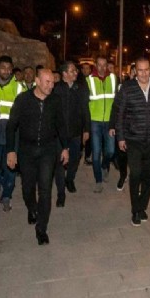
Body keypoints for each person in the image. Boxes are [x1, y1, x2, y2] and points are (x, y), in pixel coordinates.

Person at [6, 68, 69, 245]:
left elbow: (61, 126)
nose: (51, 86)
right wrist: (10, 150)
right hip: (27, 150)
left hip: (48, 150)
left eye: (53, 83)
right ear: (37, 81)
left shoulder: (55, 101)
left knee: (45, 189)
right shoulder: (23, 100)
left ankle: (41, 228)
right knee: (27, 188)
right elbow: (11, 126)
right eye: (47, 82)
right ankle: (32, 209)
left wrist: (65, 148)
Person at [111, 57, 150, 226]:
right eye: (140, 70)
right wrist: (120, 136)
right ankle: (135, 210)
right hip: (133, 139)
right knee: (135, 174)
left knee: (149, 176)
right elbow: (120, 114)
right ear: (135, 71)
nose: (143, 74)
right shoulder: (127, 88)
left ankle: (142, 206)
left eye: (146, 70)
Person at [0, 55, 25, 211]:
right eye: (3, 68)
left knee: (10, 166)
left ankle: (7, 195)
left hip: (12, 134)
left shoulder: (19, 87)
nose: (6, 71)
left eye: (9, 68)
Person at [52, 61, 90, 201]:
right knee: (60, 162)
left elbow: (85, 110)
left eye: (76, 70)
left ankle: (70, 179)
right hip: (58, 134)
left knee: (75, 158)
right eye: (73, 70)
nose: (76, 72)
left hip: (75, 132)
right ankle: (61, 193)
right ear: (64, 73)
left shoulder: (80, 88)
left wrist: (86, 129)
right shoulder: (55, 89)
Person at [86, 55, 117, 193]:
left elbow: (117, 102)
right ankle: (98, 181)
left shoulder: (113, 78)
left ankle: (105, 166)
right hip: (95, 122)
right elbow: (85, 104)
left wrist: (115, 121)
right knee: (96, 152)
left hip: (109, 122)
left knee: (110, 151)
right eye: (100, 65)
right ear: (95, 66)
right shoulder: (89, 80)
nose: (103, 68)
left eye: (105, 65)